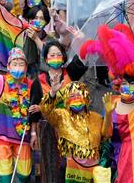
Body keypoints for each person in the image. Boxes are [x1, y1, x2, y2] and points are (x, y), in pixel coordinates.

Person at [80, 25, 134, 182]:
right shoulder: (111, 102)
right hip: (121, 157)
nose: (127, 87)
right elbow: (106, 135)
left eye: (131, 83)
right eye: (124, 83)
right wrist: (108, 112)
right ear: (118, 85)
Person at [27, 41, 87, 182]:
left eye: (59, 55)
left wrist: (80, 41)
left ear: (64, 57)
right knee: (47, 168)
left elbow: (82, 60)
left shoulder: (70, 74)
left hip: (69, 129)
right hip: (46, 130)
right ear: (46, 59)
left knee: (68, 167)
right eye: (52, 55)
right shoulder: (39, 81)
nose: (56, 58)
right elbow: (34, 112)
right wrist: (34, 133)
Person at [0, 47, 34, 182]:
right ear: (8, 67)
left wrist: (34, 133)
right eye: (14, 64)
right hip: (1, 136)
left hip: (22, 137)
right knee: (5, 177)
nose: (18, 67)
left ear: (26, 68)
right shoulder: (0, 81)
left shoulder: (31, 86)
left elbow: (39, 108)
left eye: (21, 64)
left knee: (24, 174)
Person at [39, 81, 105, 183]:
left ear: (86, 96)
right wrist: (52, 93)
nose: (76, 98)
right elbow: (45, 110)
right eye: (72, 95)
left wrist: (108, 114)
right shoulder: (61, 116)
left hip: (92, 172)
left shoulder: (97, 117)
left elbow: (106, 135)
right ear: (67, 99)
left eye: (79, 94)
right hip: (69, 171)